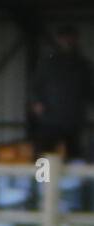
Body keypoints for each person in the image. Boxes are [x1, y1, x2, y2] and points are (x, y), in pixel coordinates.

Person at [30, 25, 93, 160]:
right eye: (64, 38)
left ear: (76, 40)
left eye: (70, 37)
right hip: (50, 118)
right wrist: (36, 102)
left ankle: (73, 182)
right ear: (59, 39)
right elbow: (35, 87)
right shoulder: (48, 62)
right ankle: (42, 180)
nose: (67, 41)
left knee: (73, 155)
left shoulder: (83, 65)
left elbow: (89, 91)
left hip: (73, 119)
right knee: (44, 155)